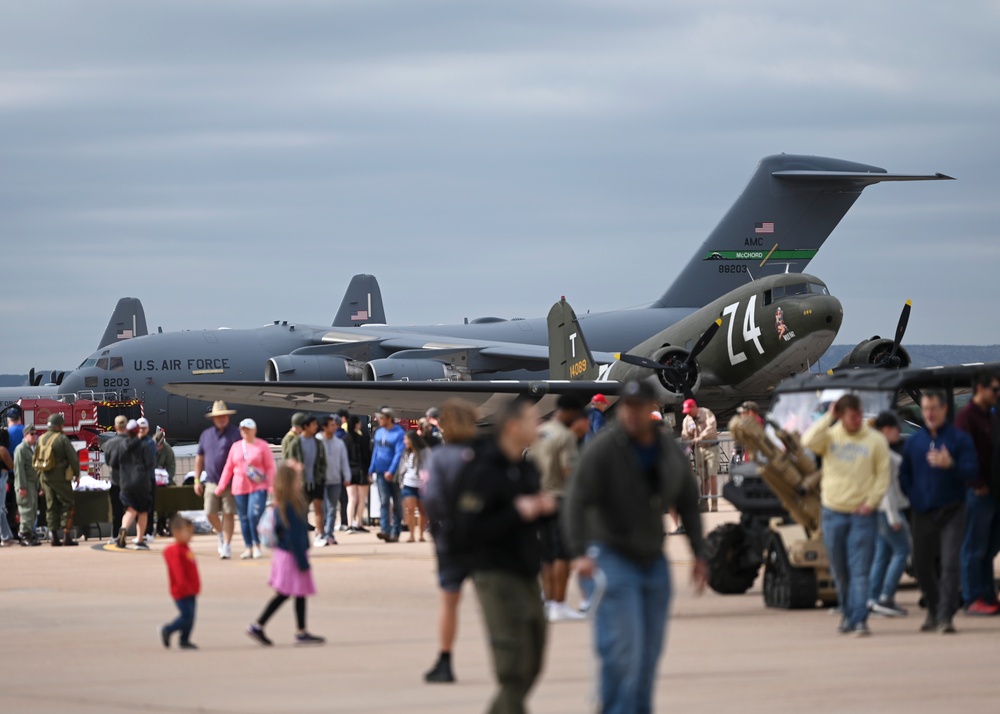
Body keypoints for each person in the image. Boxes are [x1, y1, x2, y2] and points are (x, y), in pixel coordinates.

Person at [564, 379, 707, 714]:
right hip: (610, 556)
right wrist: (579, 553)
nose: (630, 413)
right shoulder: (605, 447)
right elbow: (575, 499)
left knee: (648, 653)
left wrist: (700, 553)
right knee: (623, 649)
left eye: (638, 406)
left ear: (651, 409)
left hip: (652, 561)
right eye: (626, 406)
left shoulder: (666, 447)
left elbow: (687, 498)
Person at [452, 397, 555, 714]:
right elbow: (466, 529)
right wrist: (516, 512)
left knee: (534, 659)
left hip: (526, 572)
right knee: (513, 667)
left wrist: (543, 512)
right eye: (533, 420)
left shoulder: (525, 468)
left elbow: (531, 518)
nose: (539, 425)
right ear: (513, 427)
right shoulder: (483, 469)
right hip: (494, 573)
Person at [802, 394, 889, 636]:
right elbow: (808, 441)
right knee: (840, 571)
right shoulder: (830, 437)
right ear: (842, 415)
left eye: (860, 414)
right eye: (852, 416)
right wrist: (829, 417)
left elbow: (883, 475)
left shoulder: (875, 440)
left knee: (860, 569)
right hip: (833, 513)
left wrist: (871, 503)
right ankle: (848, 614)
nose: (858, 420)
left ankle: (860, 619)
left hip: (862, 515)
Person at [900, 390, 978, 634]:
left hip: (953, 510)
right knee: (922, 565)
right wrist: (915, 499)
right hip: (922, 512)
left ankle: (945, 615)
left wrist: (951, 465)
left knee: (950, 563)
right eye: (925, 410)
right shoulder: (915, 442)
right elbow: (904, 476)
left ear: (944, 409)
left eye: (933, 409)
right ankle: (935, 609)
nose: (929, 414)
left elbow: (972, 471)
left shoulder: (959, 439)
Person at [422, 399, 478, 684]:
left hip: (451, 537)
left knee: (449, 599)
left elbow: (430, 496)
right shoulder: (482, 454)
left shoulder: (439, 457)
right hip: (484, 537)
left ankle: (445, 660)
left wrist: (440, 525)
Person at [246, 461, 325, 646]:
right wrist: (302, 561)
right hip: (292, 555)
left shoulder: (282, 503)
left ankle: (300, 630)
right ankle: (259, 625)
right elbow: (295, 536)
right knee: (286, 592)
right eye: (298, 479)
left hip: (284, 554)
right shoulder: (292, 505)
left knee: (297, 592)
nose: (300, 482)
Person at [530, 395, 590, 622]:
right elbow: (569, 471)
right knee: (562, 554)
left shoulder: (539, 432)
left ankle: (547, 601)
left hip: (540, 498)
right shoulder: (565, 436)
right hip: (560, 498)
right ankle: (559, 603)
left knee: (546, 555)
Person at [954, 372, 1000, 614]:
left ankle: (988, 595)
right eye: (994, 389)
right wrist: (977, 483)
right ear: (980, 389)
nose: (997, 394)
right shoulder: (966, 418)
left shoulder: (989, 416)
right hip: (978, 493)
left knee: (989, 548)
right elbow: (962, 454)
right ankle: (972, 598)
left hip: (993, 492)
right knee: (974, 547)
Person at [867, 412, 911, 618]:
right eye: (896, 428)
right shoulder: (884, 454)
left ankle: (872, 598)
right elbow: (886, 489)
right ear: (886, 430)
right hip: (889, 510)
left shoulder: (874, 450)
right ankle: (886, 596)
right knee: (902, 551)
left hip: (878, 510)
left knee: (882, 555)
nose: (899, 432)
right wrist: (894, 517)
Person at [217, 418, 276, 560]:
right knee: (243, 519)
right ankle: (248, 547)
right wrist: (221, 485)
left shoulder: (262, 446)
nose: (245, 432)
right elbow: (229, 467)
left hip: (258, 486)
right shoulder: (236, 446)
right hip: (239, 487)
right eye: (243, 429)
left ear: (254, 430)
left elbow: (270, 467)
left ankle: (257, 545)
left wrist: (272, 486)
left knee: (253, 515)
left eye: (248, 429)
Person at [194, 401, 240, 559]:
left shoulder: (235, 433)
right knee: (210, 512)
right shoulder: (206, 435)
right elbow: (199, 458)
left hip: (231, 482)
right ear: (213, 418)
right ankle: (220, 533)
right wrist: (196, 480)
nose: (222, 419)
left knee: (228, 513)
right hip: (212, 481)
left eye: (224, 416)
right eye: (219, 417)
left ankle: (226, 545)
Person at [34, 413, 81, 546]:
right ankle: (66, 535)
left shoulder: (41, 438)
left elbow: (36, 459)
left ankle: (54, 536)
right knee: (68, 504)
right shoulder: (61, 439)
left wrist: (40, 482)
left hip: (45, 477)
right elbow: (72, 457)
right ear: (59, 425)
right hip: (60, 476)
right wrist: (77, 474)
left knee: (51, 506)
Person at [159, 514, 201, 650]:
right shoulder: (175, 551)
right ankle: (168, 629)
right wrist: (184, 585)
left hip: (191, 589)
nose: (191, 535)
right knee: (186, 616)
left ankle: (185, 639)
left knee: (191, 617)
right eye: (188, 532)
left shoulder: (186, 548)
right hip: (181, 590)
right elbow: (178, 572)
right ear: (177, 533)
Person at [284, 414, 327, 541]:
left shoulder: (318, 443)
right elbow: (290, 462)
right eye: (313, 424)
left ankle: (320, 534)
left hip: (316, 481)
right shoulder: (295, 443)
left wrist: (321, 475)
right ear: (305, 426)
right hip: (301, 483)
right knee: (301, 510)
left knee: (319, 508)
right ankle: (299, 534)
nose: (316, 427)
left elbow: (323, 461)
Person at [112, 420, 153, 550]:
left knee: (130, 510)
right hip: (141, 483)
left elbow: (113, 462)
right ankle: (139, 540)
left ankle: (123, 529)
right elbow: (151, 463)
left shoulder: (121, 445)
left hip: (125, 483)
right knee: (143, 511)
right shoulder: (144, 445)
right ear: (137, 431)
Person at [369, 407, 405, 542]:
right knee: (384, 501)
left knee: (396, 502)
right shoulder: (378, 433)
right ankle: (385, 530)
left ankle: (396, 531)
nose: (379, 420)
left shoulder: (399, 433)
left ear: (390, 419)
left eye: (382, 418)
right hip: (379, 472)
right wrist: (371, 469)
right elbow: (376, 452)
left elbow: (398, 454)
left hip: (393, 473)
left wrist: (391, 470)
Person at [681, 398, 719, 512]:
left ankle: (714, 503)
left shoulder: (706, 413)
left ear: (694, 407)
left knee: (712, 474)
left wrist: (700, 437)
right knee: (703, 477)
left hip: (711, 447)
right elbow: (686, 435)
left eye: (689, 410)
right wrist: (687, 448)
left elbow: (711, 427)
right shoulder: (687, 420)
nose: (687, 413)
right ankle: (704, 503)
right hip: (699, 450)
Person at [318, 415, 351, 546]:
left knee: (332, 508)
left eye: (334, 425)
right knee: (323, 509)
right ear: (324, 427)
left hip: (335, 480)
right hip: (321, 480)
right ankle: (321, 532)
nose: (334, 427)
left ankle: (329, 534)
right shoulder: (317, 441)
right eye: (331, 425)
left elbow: (344, 461)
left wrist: (347, 476)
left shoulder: (339, 443)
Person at [398, 429, 431, 543]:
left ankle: (421, 534)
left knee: (422, 510)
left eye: (406, 439)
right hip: (408, 484)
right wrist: (401, 481)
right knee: (410, 510)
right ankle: (411, 535)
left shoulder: (425, 451)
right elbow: (402, 467)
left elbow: (430, 466)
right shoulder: (406, 452)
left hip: (422, 485)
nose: (405, 442)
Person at [13, 424, 41, 546]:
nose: (35, 436)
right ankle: (24, 535)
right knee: (26, 511)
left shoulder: (30, 449)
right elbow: (19, 469)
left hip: (32, 484)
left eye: (35, 434)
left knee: (32, 510)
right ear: (26, 435)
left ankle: (29, 534)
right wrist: (21, 487)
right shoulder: (21, 449)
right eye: (32, 434)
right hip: (25, 484)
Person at [103, 415, 129, 539]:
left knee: (116, 511)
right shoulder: (133, 442)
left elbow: (108, 462)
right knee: (132, 510)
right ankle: (139, 533)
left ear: (115, 427)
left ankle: (115, 535)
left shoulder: (109, 443)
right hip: (131, 481)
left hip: (116, 480)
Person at [345, 416, 372, 532]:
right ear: (356, 425)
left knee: (351, 499)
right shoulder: (363, 439)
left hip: (349, 472)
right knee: (361, 500)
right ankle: (358, 523)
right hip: (362, 471)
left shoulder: (345, 439)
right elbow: (367, 456)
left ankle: (349, 524)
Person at [137, 417, 158, 543]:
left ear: (148, 429)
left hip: (148, 478)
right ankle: (141, 532)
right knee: (138, 507)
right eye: (140, 428)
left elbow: (151, 462)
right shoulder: (133, 442)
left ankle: (148, 532)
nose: (141, 430)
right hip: (137, 480)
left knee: (149, 506)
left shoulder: (150, 443)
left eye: (144, 428)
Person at [154, 429, 176, 536]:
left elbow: (171, 467)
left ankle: (170, 525)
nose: (158, 448)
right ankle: (158, 525)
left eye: (160, 446)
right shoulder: (149, 448)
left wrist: (166, 479)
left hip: (165, 479)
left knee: (172, 498)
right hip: (152, 479)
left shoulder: (167, 450)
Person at [0, 430, 15, 546]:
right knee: (1, 509)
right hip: (2, 477)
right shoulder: (2, 450)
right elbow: (11, 466)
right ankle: (6, 536)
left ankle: (6, 536)